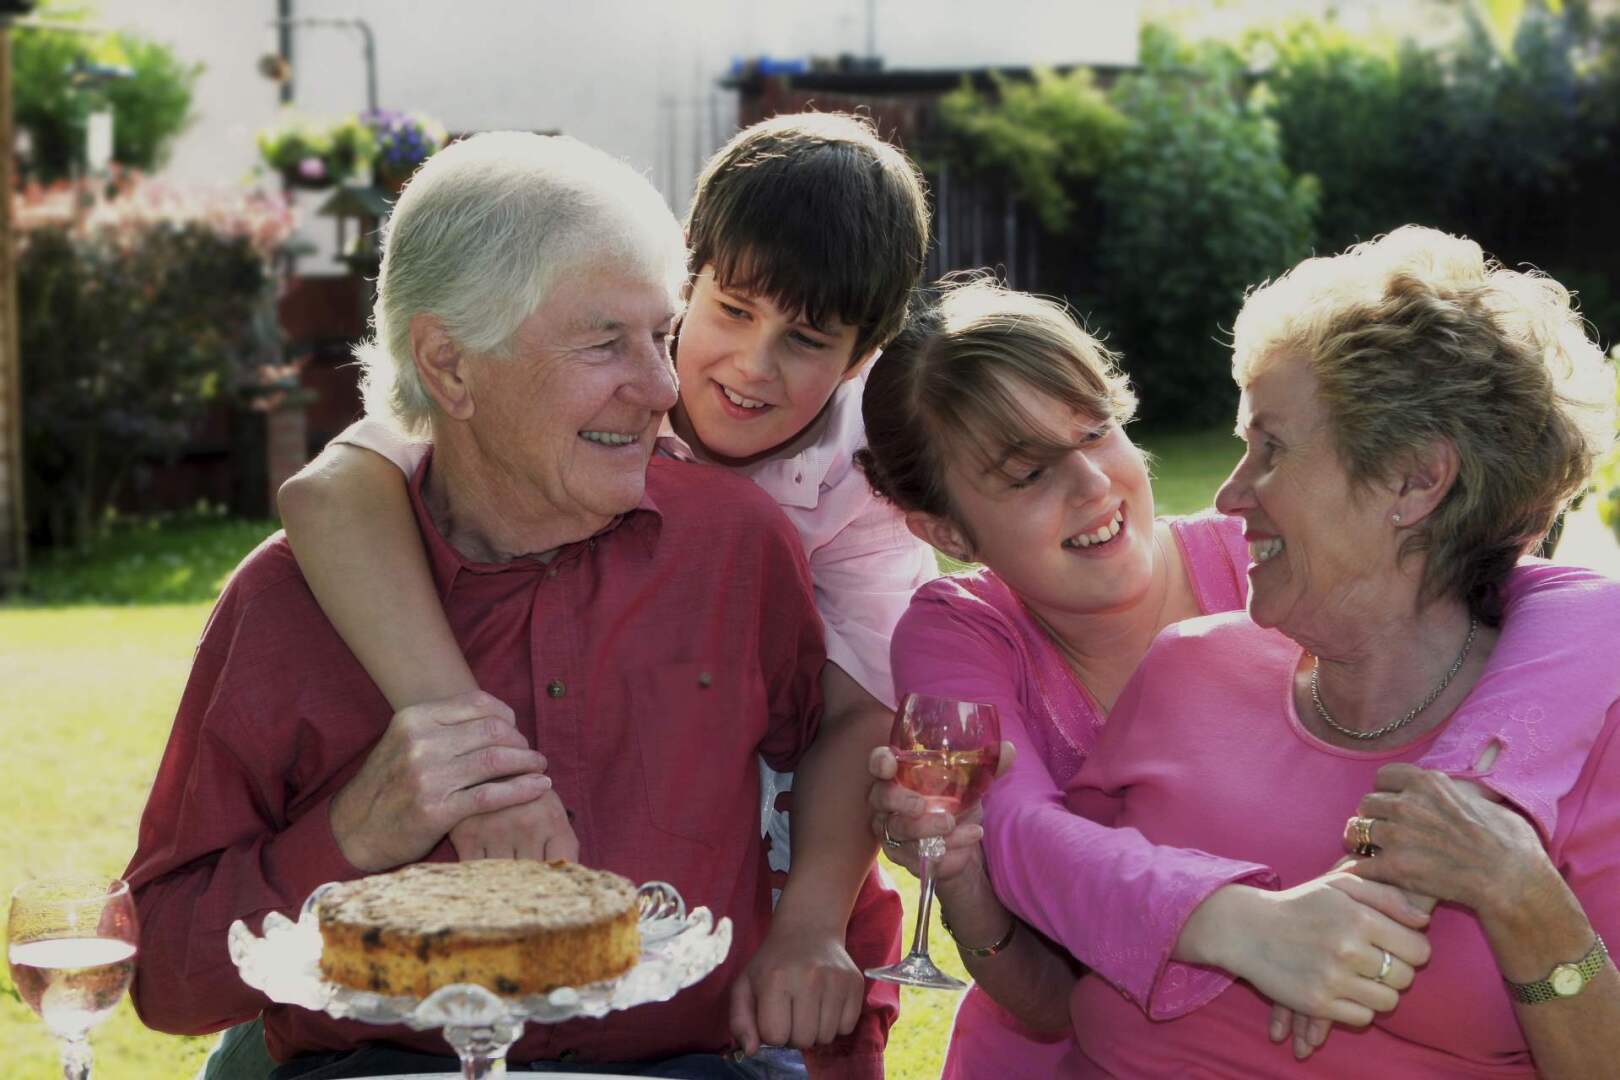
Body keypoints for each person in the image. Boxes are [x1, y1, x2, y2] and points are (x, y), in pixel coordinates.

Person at [124, 132, 835, 1079]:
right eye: (603, 343)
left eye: (660, 336)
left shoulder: (736, 550)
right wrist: (351, 836)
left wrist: (814, 932)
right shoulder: (283, 603)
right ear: (450, 367)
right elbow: (165, 981)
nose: (664, 386)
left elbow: (832, 744)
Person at [270, 111, 934, 1078]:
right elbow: (332, 488)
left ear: (863, 355)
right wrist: (457, 729)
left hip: (796, 841)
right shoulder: (566, 377)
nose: (752, 366)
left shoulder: (862, 474)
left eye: (807, 340)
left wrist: (808, 925)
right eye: (732, 311)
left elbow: (860, 711)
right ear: (684, 278)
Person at [856, 270, 1618, 1076]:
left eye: (1094, 433)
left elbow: (1578, 604)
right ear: (945, 528)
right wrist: (1243, 924)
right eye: (1026, 474)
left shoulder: (1564, 713)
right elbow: (1051, 947)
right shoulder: (1172, 662)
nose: (1227, 493)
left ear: (1414, 481)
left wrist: (1477, 829)